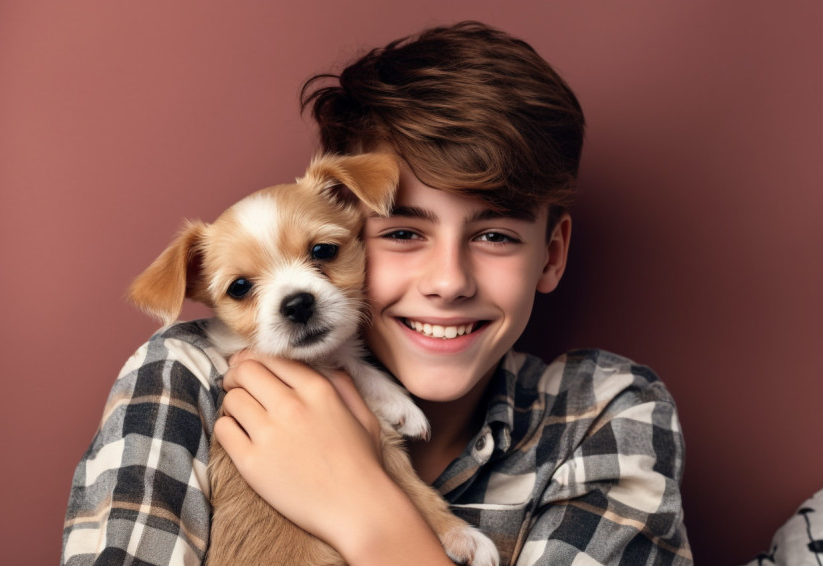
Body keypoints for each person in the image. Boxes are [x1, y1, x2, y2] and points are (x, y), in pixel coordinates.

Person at [61, 21, 692, 565]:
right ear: (356, 221)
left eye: (495, 234)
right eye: (403, 232)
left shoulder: (606, 414)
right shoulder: (186, 379)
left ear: (550, 256)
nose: (448, 281)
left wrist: (367, 513)